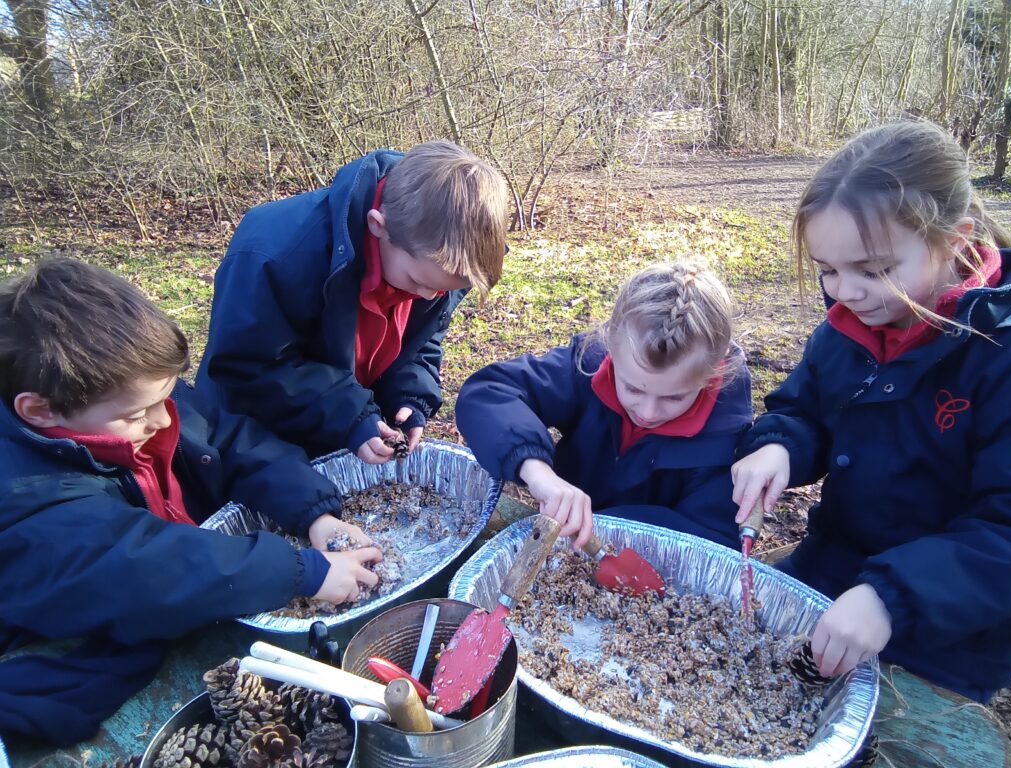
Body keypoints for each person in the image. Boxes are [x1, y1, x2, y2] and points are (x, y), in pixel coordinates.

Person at [0, 259, 382, 743]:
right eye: (141, 412)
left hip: (200, 593)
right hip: (65, 659)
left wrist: (314, 512)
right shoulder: (24, 494)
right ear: (39, 409)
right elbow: (144, 565)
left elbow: (230, 437)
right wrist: (304, 571)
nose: (163, 420)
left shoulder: (125, 401)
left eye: (168, 397)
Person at [731, 120, 1011, 702]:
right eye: (828, 270)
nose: (845, 292)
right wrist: (778, 445)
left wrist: (893, 597)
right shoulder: (849, 327)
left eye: (873, 270)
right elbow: (804, 408)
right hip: (831, 569)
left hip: (946, 633)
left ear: (956, 241)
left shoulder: (1007, 357)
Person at [195, 140, 508, 462]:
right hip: (250, 439)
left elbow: (421, 342)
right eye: (419, 283)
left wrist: (411, 396)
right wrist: (350, 415)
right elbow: (248, 367)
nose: (428, 297)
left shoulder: (444, 259)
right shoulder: (273, 255)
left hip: (339, 424)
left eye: (441, 292)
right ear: (377, 226)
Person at [456, 261, 752, 548]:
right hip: (566, 544)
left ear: (713, 373)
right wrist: (536, 470)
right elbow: (488, 394)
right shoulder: (588, 367)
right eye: (632, 388)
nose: (647, 412)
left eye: (674, 397)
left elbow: (712, 536)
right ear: (610, 346)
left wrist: (598, 525)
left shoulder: (726, 433)